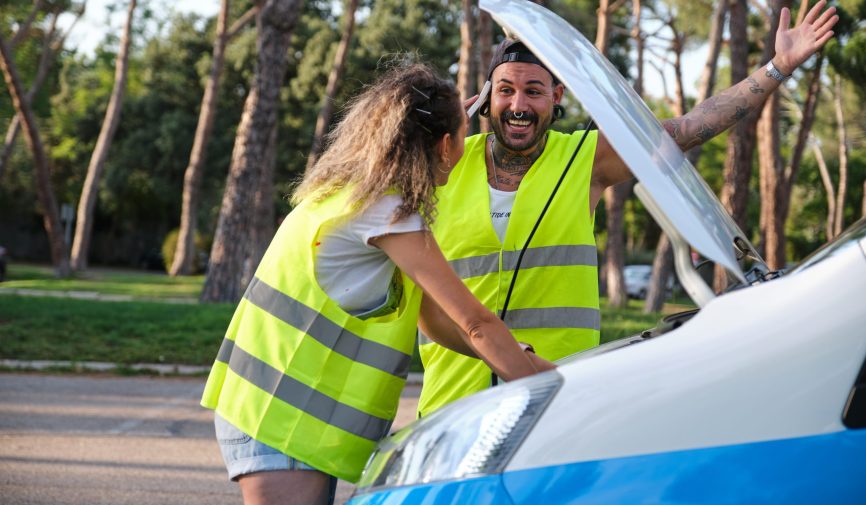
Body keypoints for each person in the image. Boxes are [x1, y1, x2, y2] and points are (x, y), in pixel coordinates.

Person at [417, 0, 839, 417]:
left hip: (556, 401)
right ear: (486, 96)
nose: (519, 105)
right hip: (452, 402)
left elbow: (687, 129)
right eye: (505, 90)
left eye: (534, 91)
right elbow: (366, 178)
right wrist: (436, 131)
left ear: (557, 95)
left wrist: (778, 67)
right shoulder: (440, 164)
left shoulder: (584, 157)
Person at [200, 61, 555, 505]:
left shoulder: (347, 192)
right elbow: (473, 323)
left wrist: (536, 367)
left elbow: (437, 322)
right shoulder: (388, 214)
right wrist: (552, 397)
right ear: (443, 145)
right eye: (462, 137)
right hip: (280, 424)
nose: (467, 149)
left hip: (270, 414)